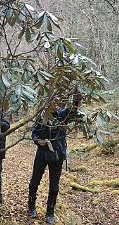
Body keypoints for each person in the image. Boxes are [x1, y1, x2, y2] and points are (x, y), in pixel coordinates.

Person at [28, 92, 82, 225]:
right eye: (54, 102)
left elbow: (72, 111)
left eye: (58, 102)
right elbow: (34, 132)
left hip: (58, 154)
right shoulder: (42, 117)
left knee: (54, 186)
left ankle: (50, 213)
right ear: (49, 103)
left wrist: (76, 100)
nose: (56, 105)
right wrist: (37, 140)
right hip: (42, 153)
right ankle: (31, 206)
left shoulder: (63, 115)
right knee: (34, 181)